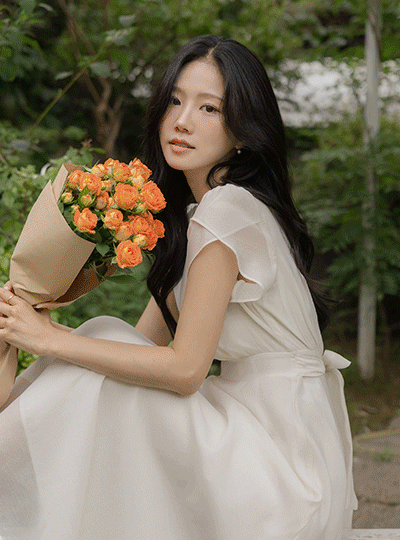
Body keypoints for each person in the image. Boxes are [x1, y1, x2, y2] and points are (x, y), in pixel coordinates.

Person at [0, 35, 357, 539]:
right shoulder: (206, 215)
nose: (182, 121)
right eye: (174, 100)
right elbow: (139, 350)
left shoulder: (227, 210)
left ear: (243, 128)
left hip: (280, 473)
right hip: (282, 450)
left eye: (209, 107)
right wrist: (35, 319)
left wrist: (50, 341)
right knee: (101, 349)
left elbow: (186, 370)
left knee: (98, 338)